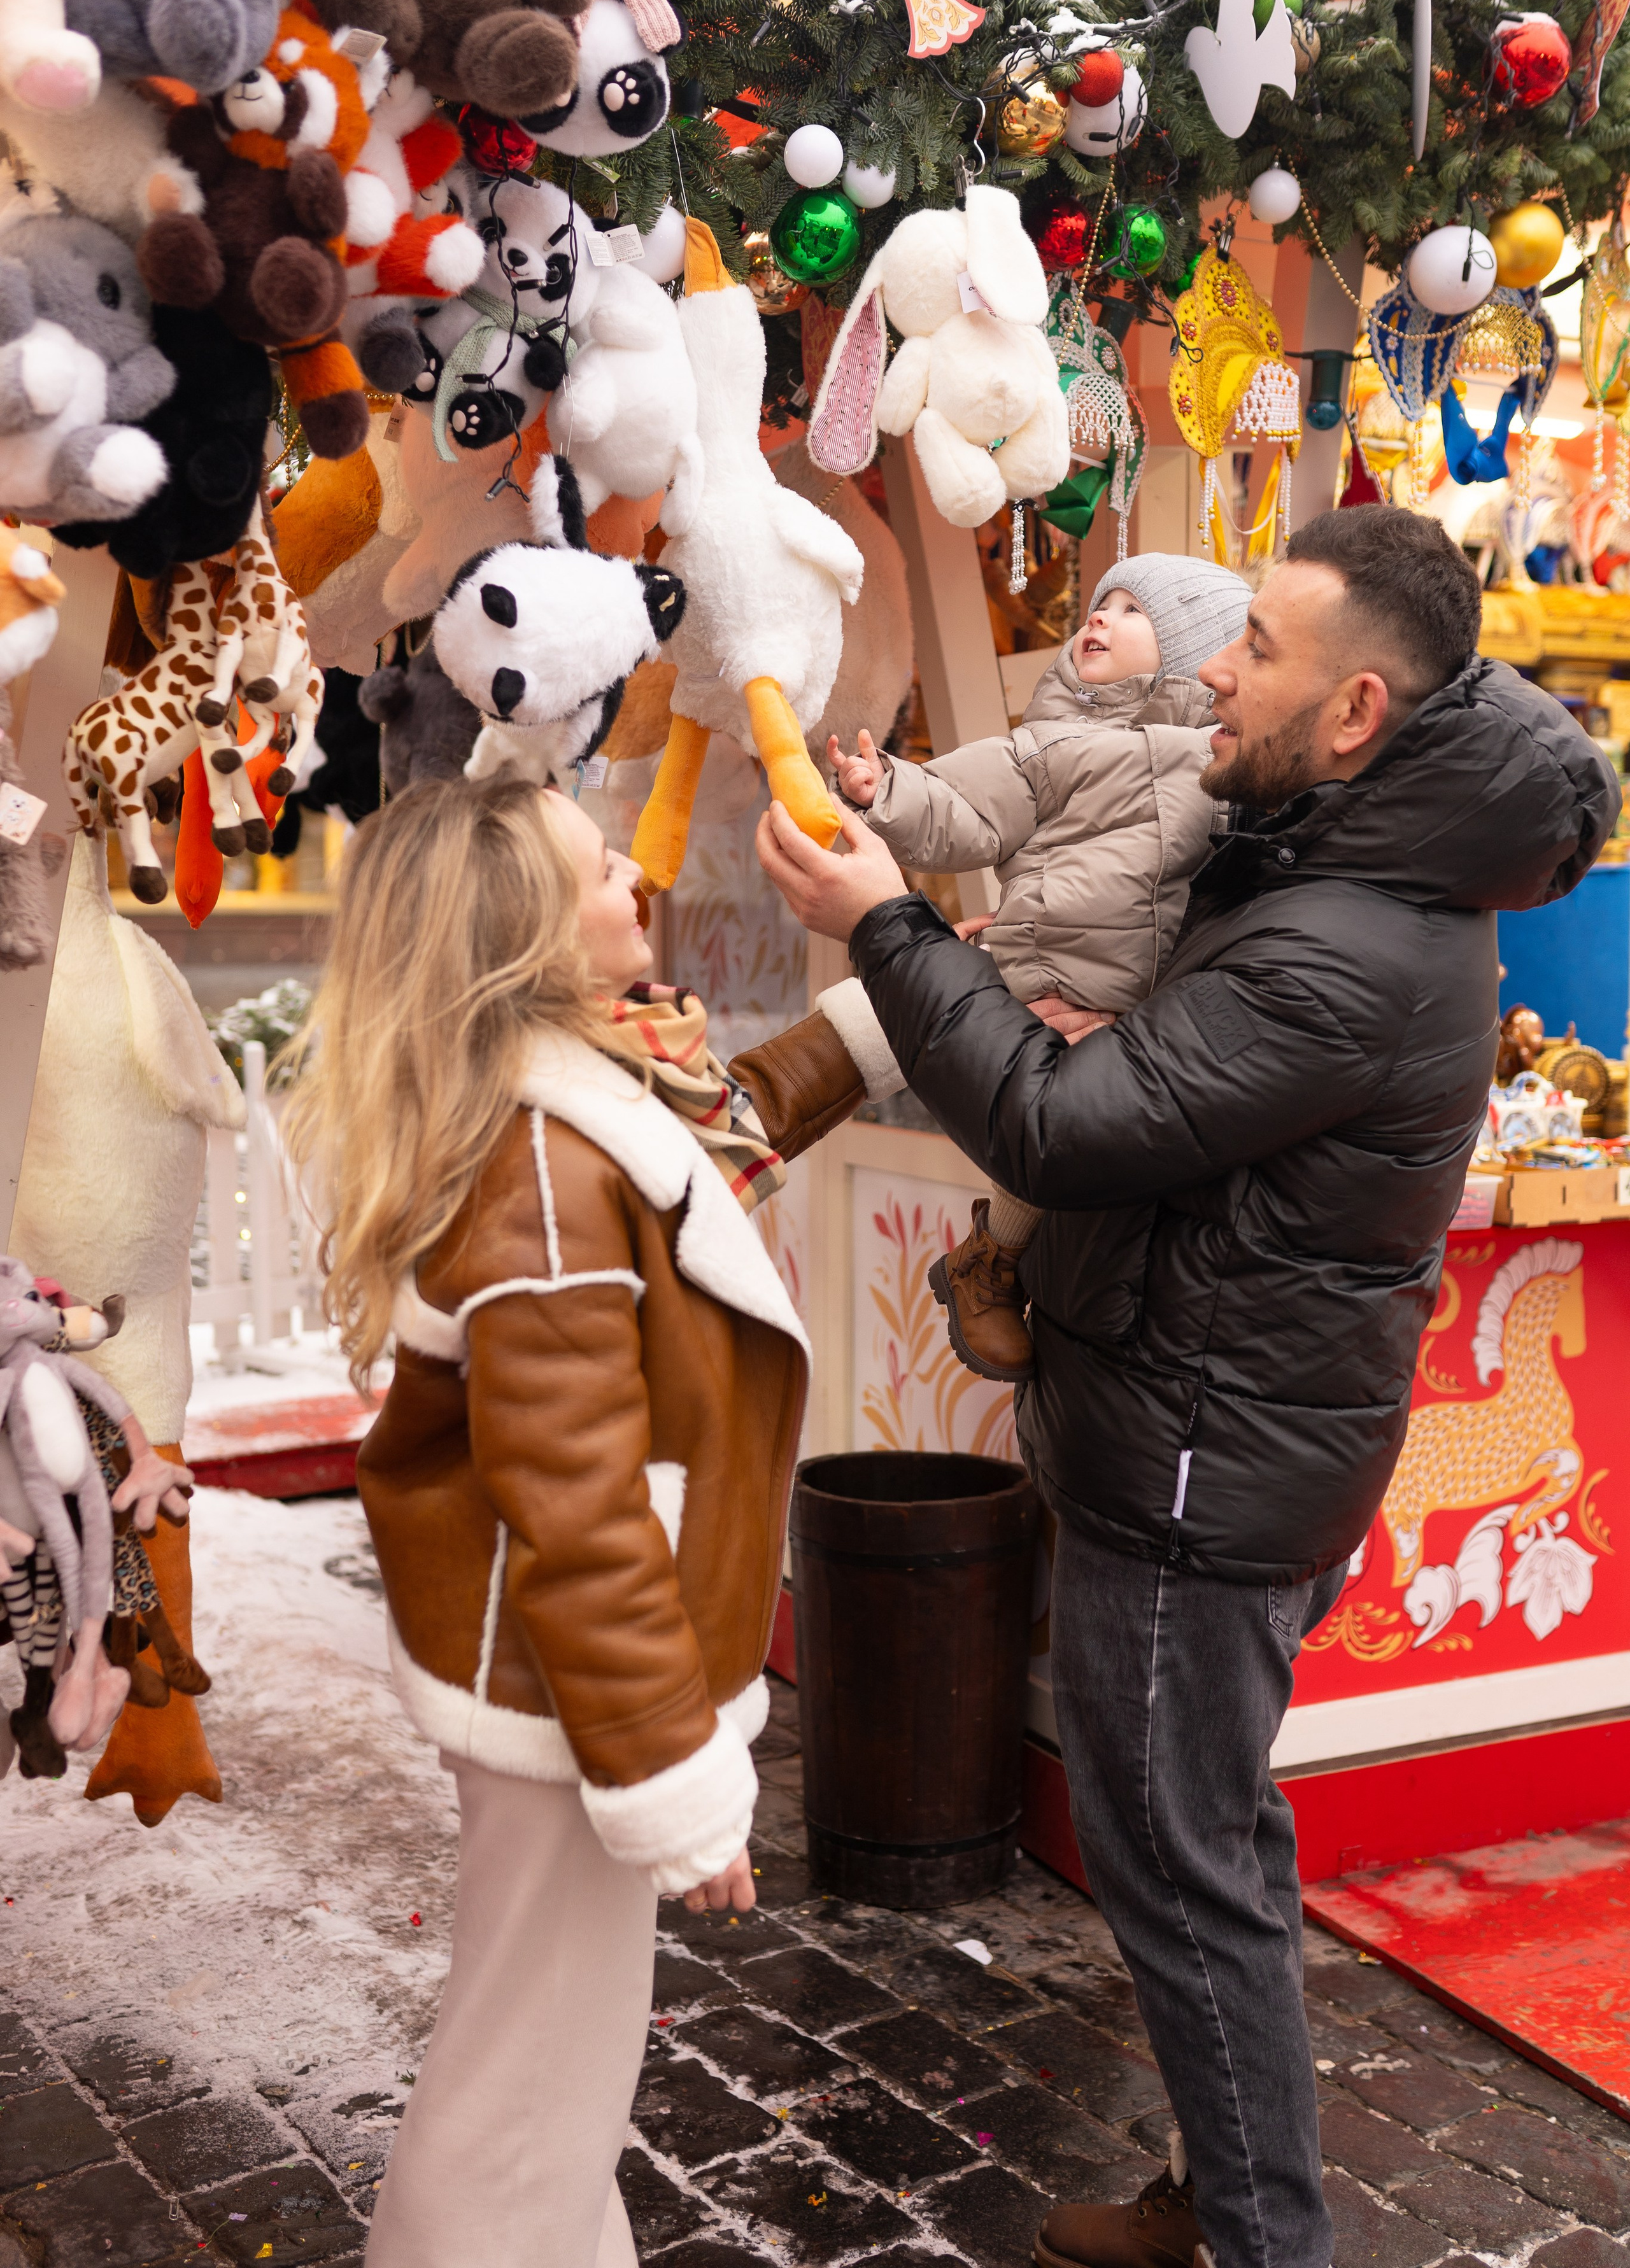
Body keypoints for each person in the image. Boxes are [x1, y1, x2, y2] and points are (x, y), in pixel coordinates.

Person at [756, 505, 1620, 2268]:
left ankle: (1259, 2241)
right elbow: (1150, 1088)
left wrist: (893, 928)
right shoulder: (1336, 856)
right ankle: (1219, 2198)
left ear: (1361, 709)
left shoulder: (1346, 942)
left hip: (1203, 1471)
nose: (1218, 665)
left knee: (1180, 1872)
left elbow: (1067, 1134)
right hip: (1214, 1428)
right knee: (1210, 1839)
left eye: (1263, 651)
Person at [280, 774, 901, 2268]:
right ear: (521, 941)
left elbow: (722, 1130)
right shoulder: (545, 1170)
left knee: (555, 2061)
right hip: (562, 1688)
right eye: (593, 868)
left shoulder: (584, 1084)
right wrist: (679, 1783)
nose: (635, 873)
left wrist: (895, 1000)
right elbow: (577, 1510)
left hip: (552, 1678)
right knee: (525, 2084)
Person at [830, 554, 1249, 1385]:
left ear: (1196, 653)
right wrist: (887, 792)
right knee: (909, 1026)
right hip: (1043, 961)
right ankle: (987, 1259)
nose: (1099, 618)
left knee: (1085, 1124)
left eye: (1132, 611)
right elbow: (964, 808)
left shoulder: (1229, 767)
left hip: (1141, 1002)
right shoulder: (1053, 744)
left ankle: (993, 1256)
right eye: (1099, 606)